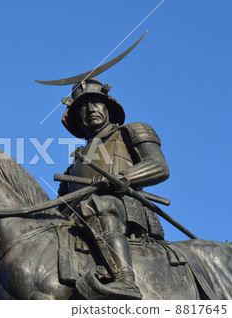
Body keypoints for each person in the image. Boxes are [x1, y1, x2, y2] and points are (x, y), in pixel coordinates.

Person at [57, 78, 170, 299]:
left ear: (108, 106)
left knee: (101, 204)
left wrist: (122, 178)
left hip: (124, 210)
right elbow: (60, 207)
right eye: (82, 106)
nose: (90, 109)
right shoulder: (75, 163)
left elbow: (159, 167)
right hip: (83, 219)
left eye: (96, 102)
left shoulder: (132, 131)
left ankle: (125, 280)